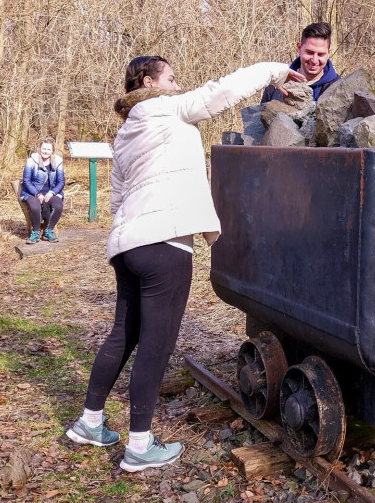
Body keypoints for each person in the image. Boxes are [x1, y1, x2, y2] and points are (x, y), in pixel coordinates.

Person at [65, 55, 303, 472]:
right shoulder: (167, 107)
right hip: (166, 244)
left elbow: (118, 198)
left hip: (128, 245)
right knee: (156, 345)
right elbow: (220, 92)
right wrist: (274, 70)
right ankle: (139, 446)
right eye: (171, 79)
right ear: (149, 82)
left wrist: (123, 240)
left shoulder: (125, 134)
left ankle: (90, 422)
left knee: (123, 334)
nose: (178, 86)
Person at [260, 21, 340, 103]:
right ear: (299, 48)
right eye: (310, 52)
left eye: (320, 54)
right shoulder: (276, 85)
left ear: (328, 53)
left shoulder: (339, 89)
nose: (314, 60)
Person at [20, 137, 65, 244]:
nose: (45, 151)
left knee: (58, 206)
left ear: (52, 151)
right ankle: (35, 232)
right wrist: (37, 194)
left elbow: (61, 181)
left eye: (48, 149)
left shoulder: (57, 161)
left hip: (51, 192)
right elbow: (26, 180)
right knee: (35, 207)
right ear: (40, 148)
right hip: (32, 192)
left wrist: (52, 192)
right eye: (44, 149)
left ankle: (48, 230)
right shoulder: (31, 161)